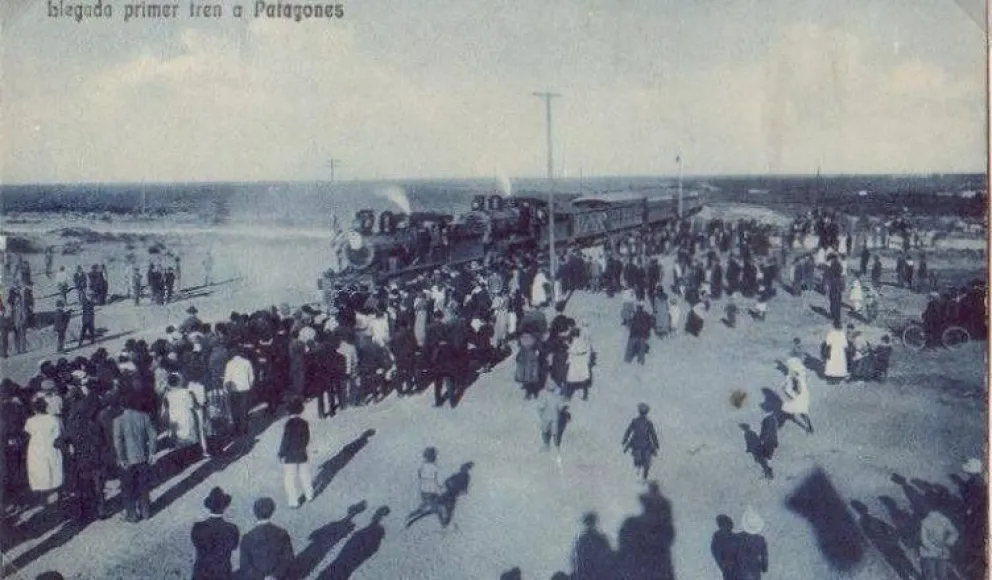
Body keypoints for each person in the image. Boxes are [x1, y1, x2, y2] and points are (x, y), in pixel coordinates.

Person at [113, 391, 157, 522]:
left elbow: (118, 442)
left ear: (121, 406)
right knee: (143, 485)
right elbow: (153, 436)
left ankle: (132, 514)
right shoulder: (144, 416)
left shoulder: (118, 421)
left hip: (127, 459)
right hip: (143, 457)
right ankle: (145, 511)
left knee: (128, 487)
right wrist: (152, 452)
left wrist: (121, 458)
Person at [191, 486, 240, 580]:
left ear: (209, 507)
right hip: (222, 575)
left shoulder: (197, 527)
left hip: (201, 575)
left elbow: (197, 544)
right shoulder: (232, 529)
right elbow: (234, 546)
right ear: (224, 507)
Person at [239, 497, 294, 580]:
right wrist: (275, 575)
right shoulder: (282, 533)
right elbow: (288, 558)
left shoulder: (247, 538)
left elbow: (245, 565)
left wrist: (260, 577)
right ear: (272, 511)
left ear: (254, 512)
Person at [24, 398, 64, 506]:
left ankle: (42, 493)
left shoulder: (30, 421)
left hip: (36, 447)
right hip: (50, 445)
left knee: (40, 469)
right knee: (53, 466)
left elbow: (28, 433)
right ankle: (55, 490)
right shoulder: (53, 419)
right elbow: (58, 433)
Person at [277, 399, 314, 508]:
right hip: (302, 453)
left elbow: (286, 440)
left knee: (290, 479)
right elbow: (307, 438)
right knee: (305, 476)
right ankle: (310, 495)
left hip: (290, 456)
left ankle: (294, 501)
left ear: (288, 412)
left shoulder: (288, 424)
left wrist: (281, 453)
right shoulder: (304, 423)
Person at [406, 446, 448, 528]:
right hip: (432, 491)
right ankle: (444, 524)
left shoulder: (423, 466)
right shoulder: (435, 468)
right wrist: (442, 487)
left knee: (425, 505)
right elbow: (438, 480)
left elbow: (419, 475)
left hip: (423, 490)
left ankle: (411, 515)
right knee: (438, 507)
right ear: (434, 457)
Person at [919, 504, 958, 580]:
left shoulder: (925, 522)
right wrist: (947, 543)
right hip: (941, 553)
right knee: (942, 575)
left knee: (929, 575)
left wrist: (934, 548)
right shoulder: (945, 520)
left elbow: (924, 540)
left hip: (928, 553)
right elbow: (955, 532)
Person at [622, 403, 660, 480]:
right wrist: (656, 445)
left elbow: (653, 434)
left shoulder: (645, 422)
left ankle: (643, 477)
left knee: (646, 461)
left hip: (642, 444)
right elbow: (653, 435)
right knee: (643, 461)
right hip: (640, 444)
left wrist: (625, 440)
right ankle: (641, 476)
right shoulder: (639, 422)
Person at [734, 506, 769, 579]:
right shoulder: (761, 540)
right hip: (754, 571)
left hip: (740, 571)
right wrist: (764, 568)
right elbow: (764, 557)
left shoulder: (736, 537)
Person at [780, 357, 813, 434]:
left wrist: (787, 391)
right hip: (800, 397)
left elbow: (798, 390)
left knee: (799, 411)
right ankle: (810, 427)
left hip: (796, 398)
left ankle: (781, 424)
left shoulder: (796, 378)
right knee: (802, 412)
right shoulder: (799, 376)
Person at [537, 383, 566, 452]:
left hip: (546, 417)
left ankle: (547, 445)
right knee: (554, 432)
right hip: (554, 417)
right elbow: (561, 407)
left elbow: (541, 406)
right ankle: (556, 446)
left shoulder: (546, 396)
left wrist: (540, 413)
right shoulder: (558, 397)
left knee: (545, 431)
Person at [711, 515, 738, 580]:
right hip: (728, 568)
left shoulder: (734, 537)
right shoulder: (718, 537)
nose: (730, 525)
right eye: (726, 523)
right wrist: (723, 564)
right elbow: (716, 552)